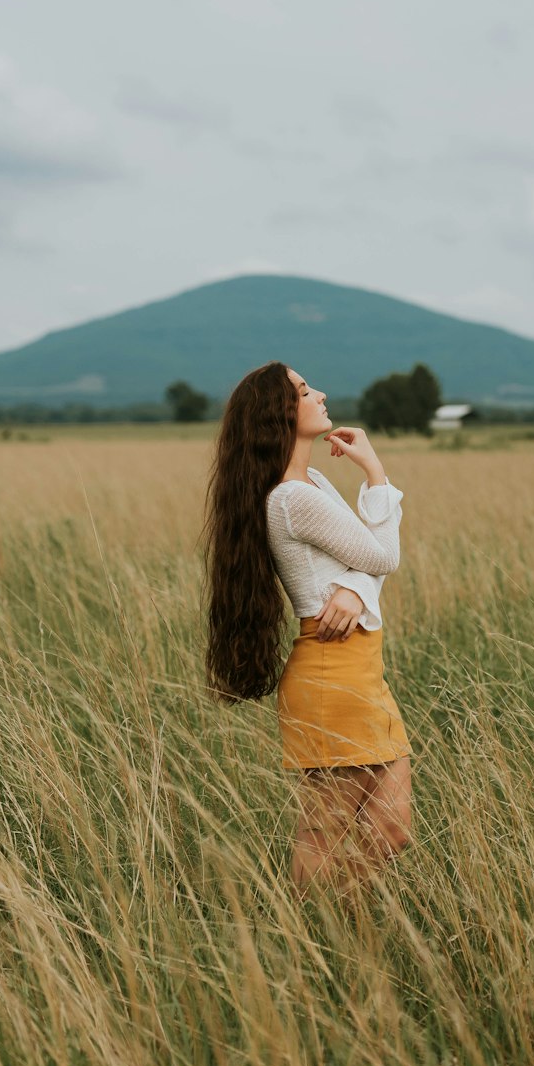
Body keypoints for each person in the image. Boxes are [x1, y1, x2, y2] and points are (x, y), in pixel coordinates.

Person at [201, 359, 412, 899]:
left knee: (392, 830)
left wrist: (356, 589)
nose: (319, 393)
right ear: (280, 412)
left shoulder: (311, 483)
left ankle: (343, 926)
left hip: (362, 670)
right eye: (302, 389)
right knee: (323, 834)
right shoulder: (293, 500)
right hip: (330, 672)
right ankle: (309, 936)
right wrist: (376, 474)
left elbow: (366, 566)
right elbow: (383, 555)